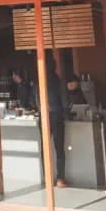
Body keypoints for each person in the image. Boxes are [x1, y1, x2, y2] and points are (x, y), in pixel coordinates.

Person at [45, 57, 67, 188]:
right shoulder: (58, 80)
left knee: (45, 149)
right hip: (57, 115)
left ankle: (47, 178)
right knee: (59, 148)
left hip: (44, 116)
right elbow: (65, 100)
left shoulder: (39, 80)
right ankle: (60, 178)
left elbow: (32, 100)